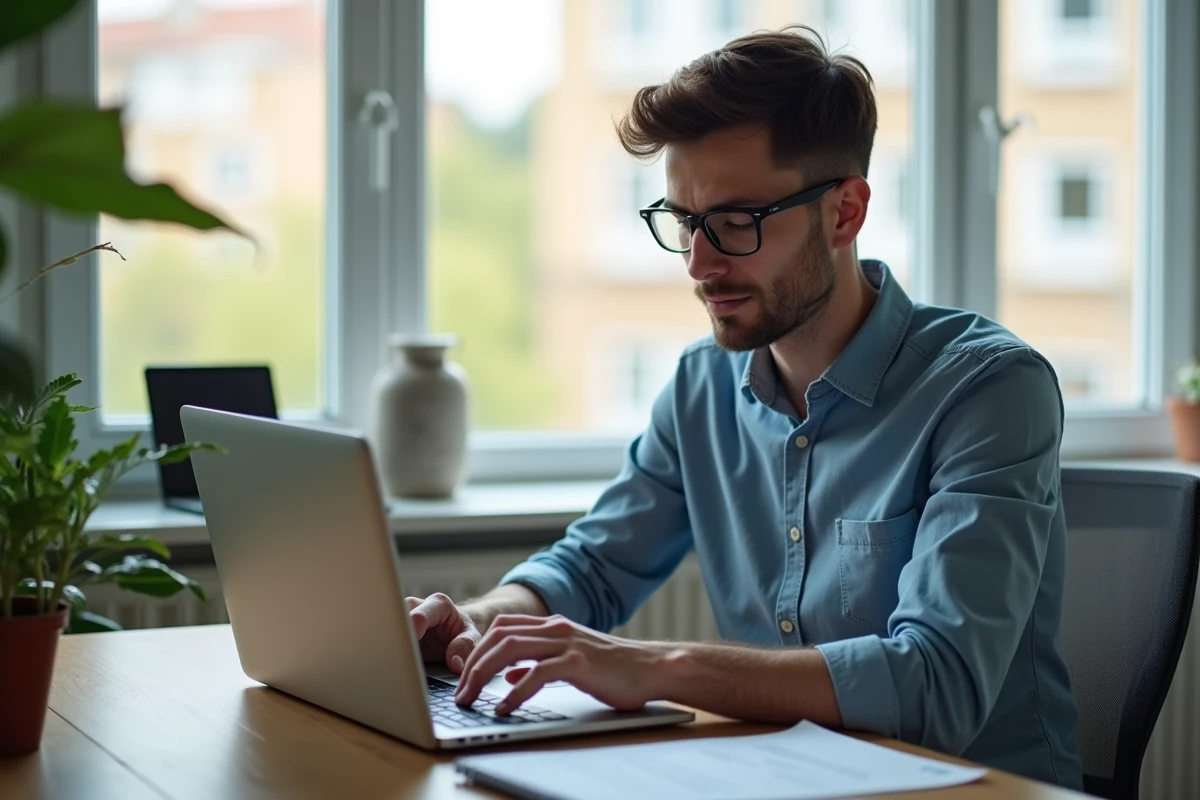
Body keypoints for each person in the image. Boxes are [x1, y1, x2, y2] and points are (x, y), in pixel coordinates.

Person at [406, 26, 1083, 789]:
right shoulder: (703, 386)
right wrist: (477, 619)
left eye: (735, 223)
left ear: (844, 213)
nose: (699, 264)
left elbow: (936, 684)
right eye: (685, 223)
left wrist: (658, 667)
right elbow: (592, 567)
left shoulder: (989, 390)